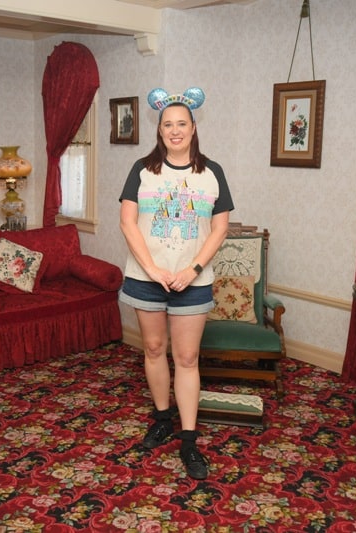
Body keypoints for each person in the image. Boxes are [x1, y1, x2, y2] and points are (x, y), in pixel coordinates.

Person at [118, 87, 234, 480]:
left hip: (193, 281)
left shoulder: (212, 172)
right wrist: (152, 269)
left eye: (181, 123)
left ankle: (188, 439)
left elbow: (220, 228)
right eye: (168, 124)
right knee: (153, 349)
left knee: (186, 359)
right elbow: (127, 222)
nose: (175, 130)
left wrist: (195, 269)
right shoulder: (142, 170)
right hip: (147, 279)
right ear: (160, 130)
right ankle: (162, 417)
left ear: (194, 127)